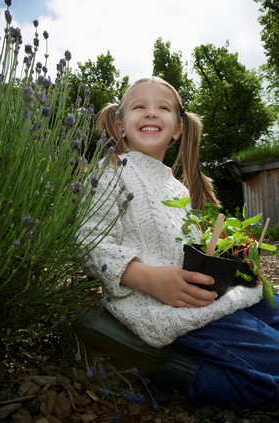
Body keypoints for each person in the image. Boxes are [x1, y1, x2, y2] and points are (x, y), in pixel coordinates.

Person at [77, 76, 279, 407]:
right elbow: (87, 240)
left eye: (163, 108)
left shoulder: (178, 190)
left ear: (177, 129)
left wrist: (235, 258)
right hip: (167, 309)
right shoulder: (111, 170)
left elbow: (189, 250)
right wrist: (148, 277)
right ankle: (183, 371)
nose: (151, 113)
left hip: (214, 297)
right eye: (139, 106)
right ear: (121, 125)